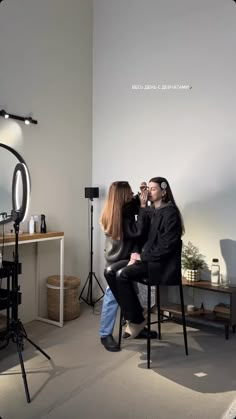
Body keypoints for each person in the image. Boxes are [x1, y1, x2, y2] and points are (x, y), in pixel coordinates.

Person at [105, 176, 185, 339]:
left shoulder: (170, 213)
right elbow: (139, 231)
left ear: (164, 192)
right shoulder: (149, 210)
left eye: (153, 189)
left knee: (122, 274)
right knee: (109, 271)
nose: (149, 191)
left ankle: (135, 319)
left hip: (160, 264)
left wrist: (141, 257)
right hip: (147, 259)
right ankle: (136, 316)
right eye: (148, 188)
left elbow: (166, 247)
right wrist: (140, 201)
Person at [99, 181, 149, 352]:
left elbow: (133, 203)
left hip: (120, 259)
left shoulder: (113, 210)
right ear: (122, 195)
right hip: (118, 261)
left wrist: (141, 195)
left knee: (130, 293)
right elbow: (137, 231)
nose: (132, 193)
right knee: (112, 298)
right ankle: (105, 334)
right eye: (129, 192)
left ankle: (136, 327)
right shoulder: (121, 214)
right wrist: (142, 205)